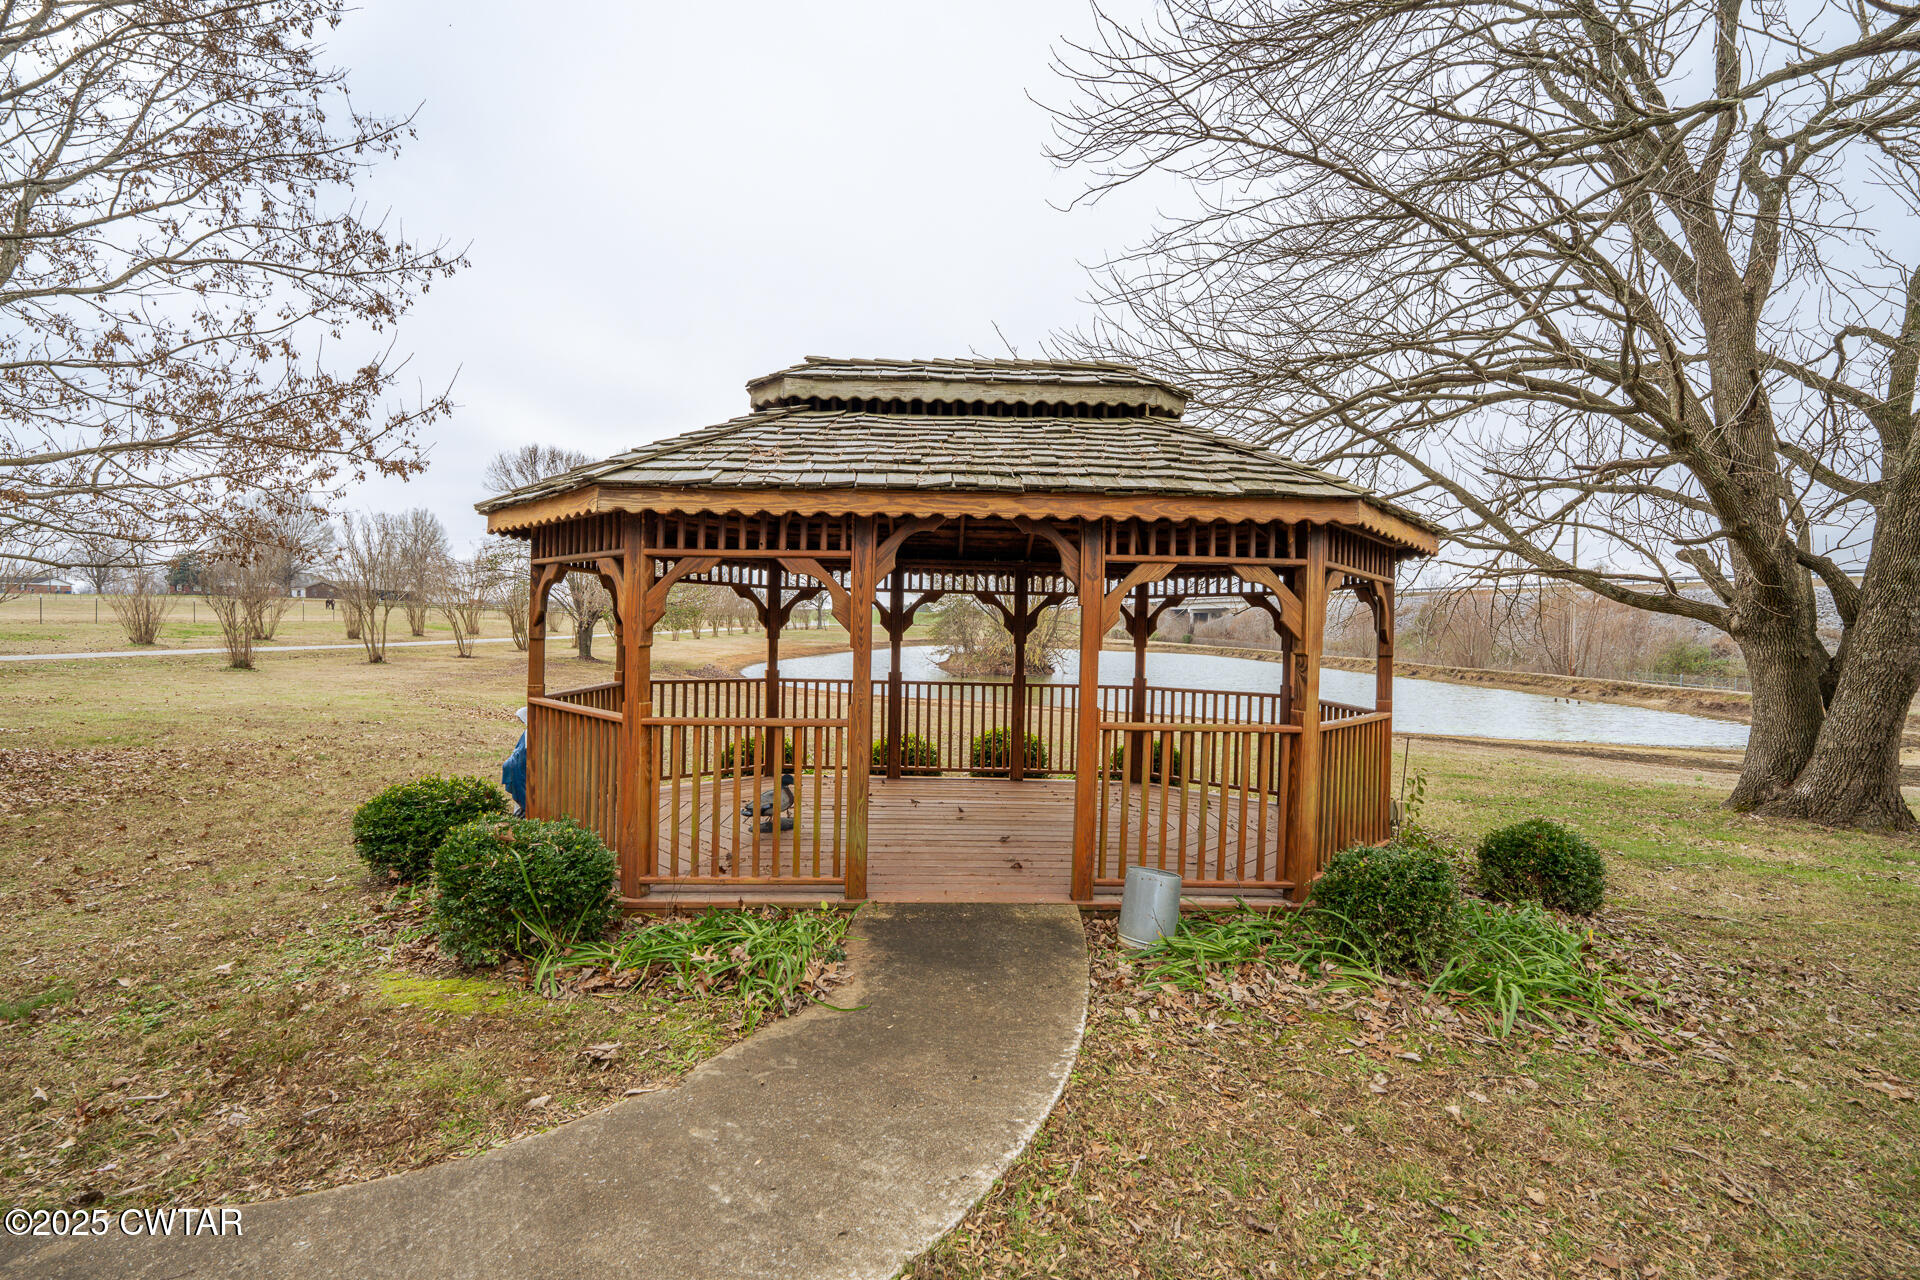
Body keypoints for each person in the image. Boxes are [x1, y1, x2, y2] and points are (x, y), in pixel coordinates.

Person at [502, 706, 528, 816]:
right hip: (517, 764)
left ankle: (524, 808)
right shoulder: (527, 731)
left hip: (521, 768)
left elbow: (523, 756)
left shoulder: (531, 734)